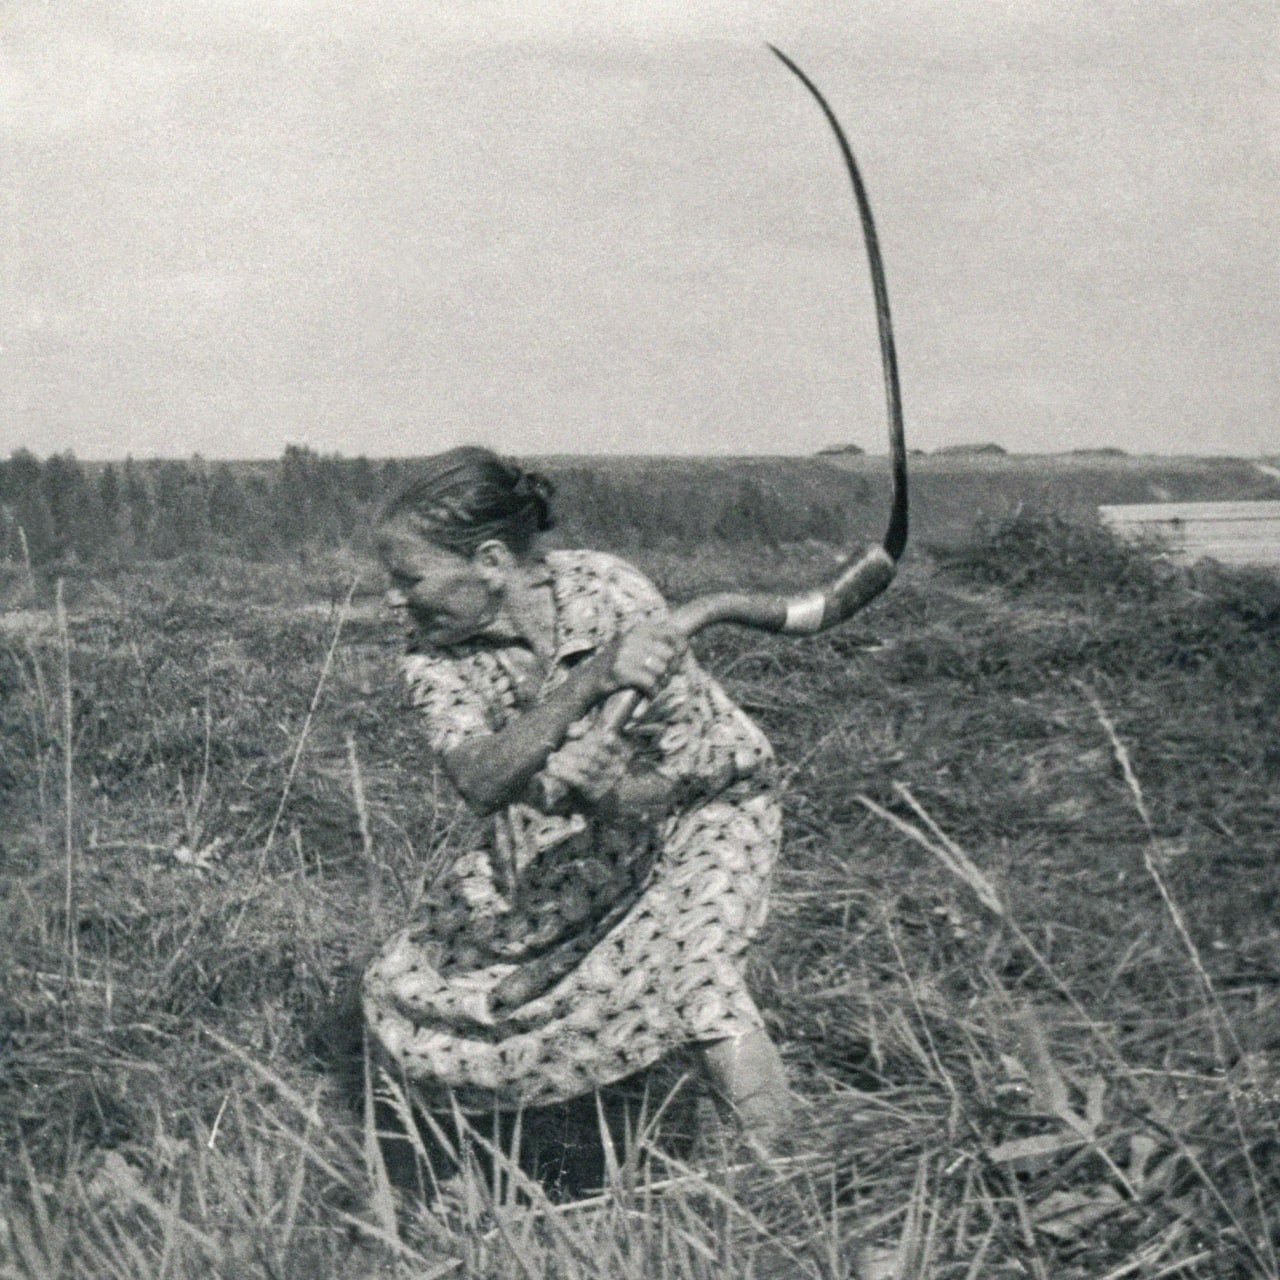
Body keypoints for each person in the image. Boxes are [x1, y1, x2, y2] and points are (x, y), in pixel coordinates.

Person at [362, 446, 792, 1152]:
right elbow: (479, 779)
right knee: (415, 986)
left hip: (704, 806)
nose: (393, 598)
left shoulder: (608, 592)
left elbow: (672, 779)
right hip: (578, 833)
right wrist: (592, 687)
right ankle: (588, 1125)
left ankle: (785, 1178)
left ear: (492, 563)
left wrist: (606, 790)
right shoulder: (432, 658)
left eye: (410, 578)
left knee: (696, 971)